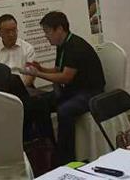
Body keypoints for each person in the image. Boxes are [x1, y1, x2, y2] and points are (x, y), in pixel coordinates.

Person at [26, 11, 105, 165]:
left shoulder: (75, 46)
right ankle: (50, 146)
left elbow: (65, 77)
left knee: (65, 110)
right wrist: (40, 68)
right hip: (74, 90)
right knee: (39, 103)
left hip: (90, 92)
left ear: (60, 29)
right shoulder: (62, 45)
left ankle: (66, 158)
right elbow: (58, 70)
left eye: (47, 31)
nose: (46, 36)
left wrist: (38, 74)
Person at [0, 14, 36, 87]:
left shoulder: (27, 48)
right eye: (7, 31)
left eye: (14, 30)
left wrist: (22, 89)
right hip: (3, 88)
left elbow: (30, 74)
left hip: (25, 87)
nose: (11, 34)